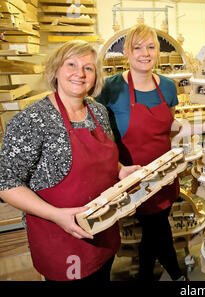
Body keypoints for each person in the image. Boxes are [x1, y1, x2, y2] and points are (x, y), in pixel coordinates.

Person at [0, 40, 140, 281]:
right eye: (71, 64)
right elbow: (6, 183)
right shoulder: (33, 119)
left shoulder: (98, 112)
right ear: (55, 70)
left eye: (88, 67)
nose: (80, 73)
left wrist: (120, 171)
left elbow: (102, 160)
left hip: (102, 229)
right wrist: (56, 215)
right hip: (61, 238)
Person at [96, 24, 205, 281]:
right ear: (126, 52)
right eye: (138, 47)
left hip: (163, 173)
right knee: (156, 228)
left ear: (158, 52)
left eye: (151, 47)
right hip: (131, 175)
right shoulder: (110, 87)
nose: (145, 53)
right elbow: (98, 133)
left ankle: (151, 275)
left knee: (155, 227)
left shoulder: (166, 86)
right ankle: (175, 274)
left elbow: (171, 128)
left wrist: (203, 126)